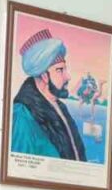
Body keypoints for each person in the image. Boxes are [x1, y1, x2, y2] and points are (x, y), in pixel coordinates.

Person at [9, 28, 86, 161]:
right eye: (60, 70)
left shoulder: (60, 107)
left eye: (65, 69)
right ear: (44, 76)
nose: (68, 76)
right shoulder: (22, 114)